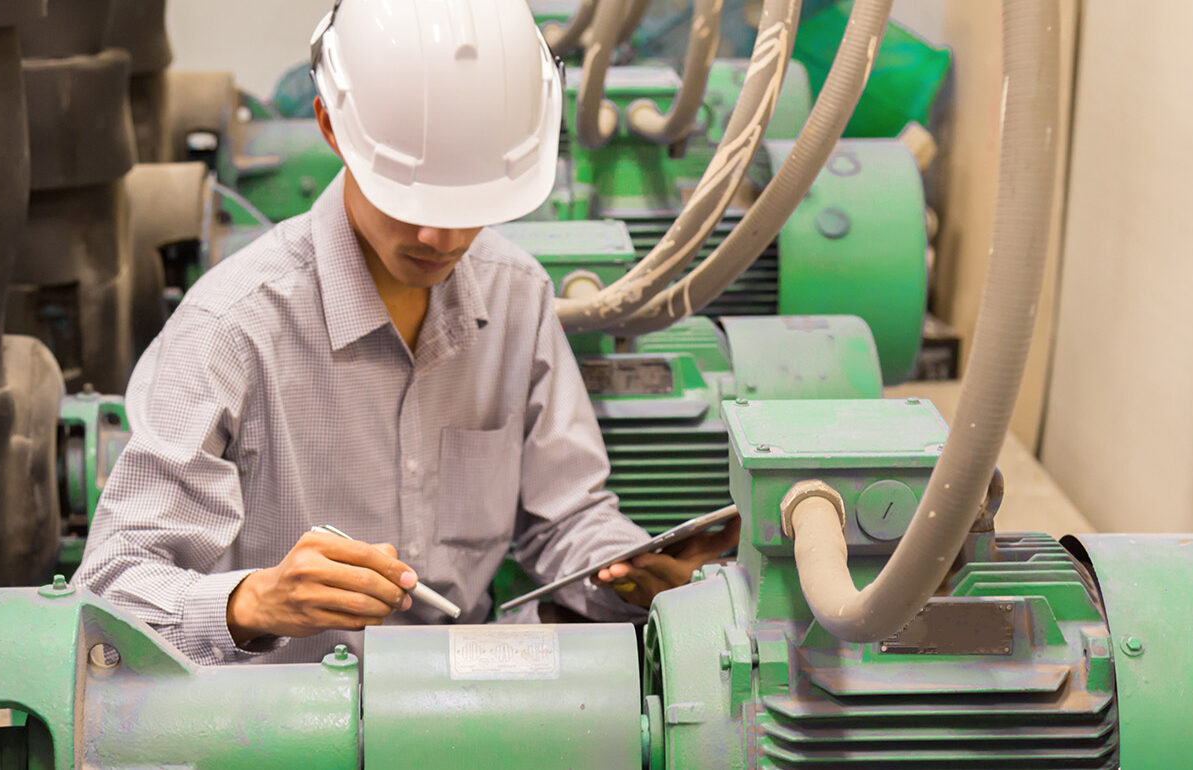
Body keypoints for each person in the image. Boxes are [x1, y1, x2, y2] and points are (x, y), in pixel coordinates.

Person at [75, 0, 738, 664]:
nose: (440, 237)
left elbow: (566, 520)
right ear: (330, 127)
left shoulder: (517, 297)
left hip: (462, 705)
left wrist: (625, 577)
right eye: (410, 197)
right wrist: (251, 603)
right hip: (283, 722)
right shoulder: (231, 327)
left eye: (470, 202)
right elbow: (109, 586)